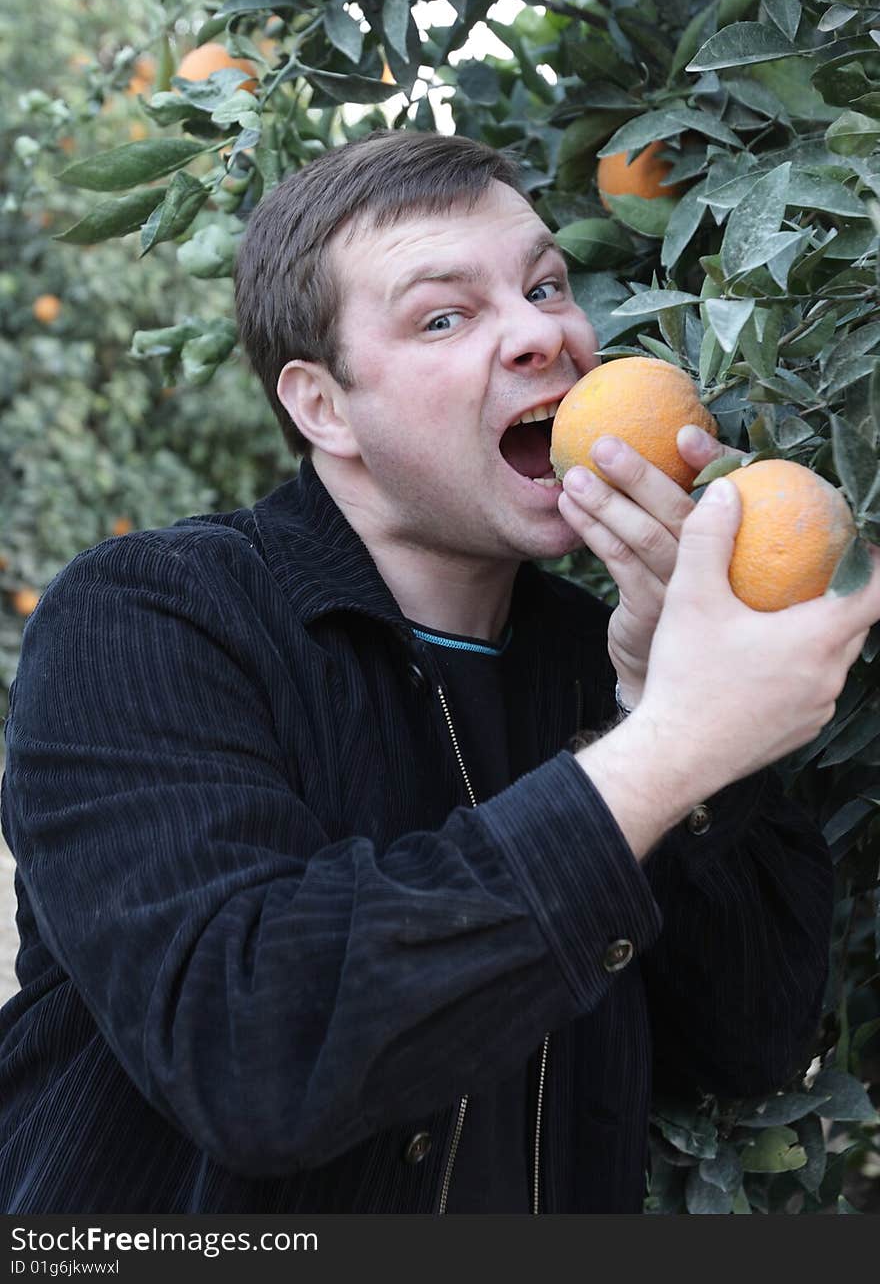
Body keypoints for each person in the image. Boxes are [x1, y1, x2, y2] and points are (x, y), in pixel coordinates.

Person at [1, 129, 878, 1215]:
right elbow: (250, 1047)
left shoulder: (596, 662)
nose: (539, 335)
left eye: (546, 284)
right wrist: (667, 748)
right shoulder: (152, 618)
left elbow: (749, 1041)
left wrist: (660, 711)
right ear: (323, 405)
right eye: (444, 315)